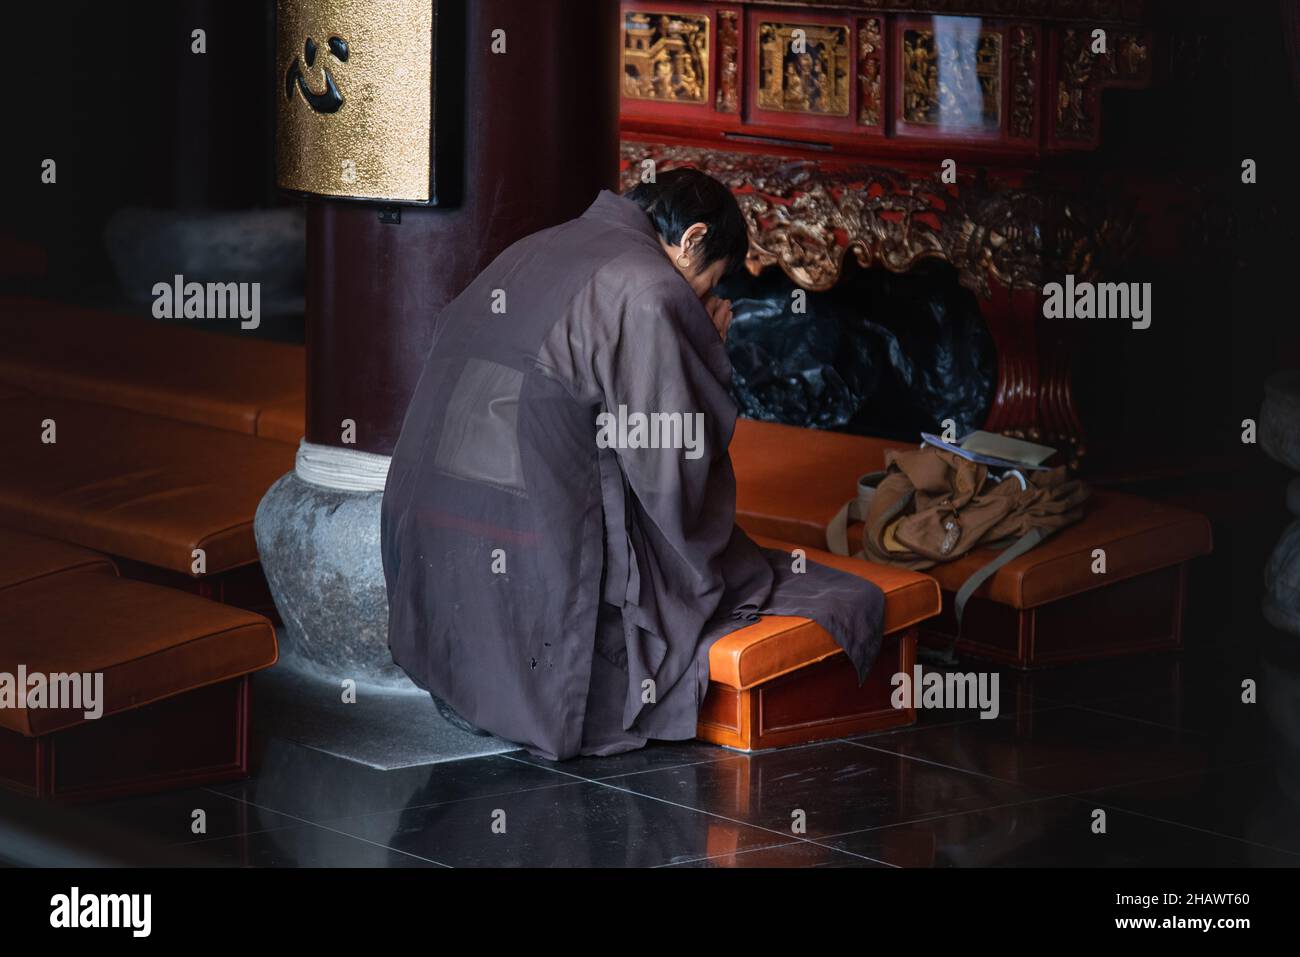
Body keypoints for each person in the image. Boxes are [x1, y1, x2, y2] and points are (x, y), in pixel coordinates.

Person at [380, 168, 883, 760]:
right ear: (692, 238)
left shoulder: (533, 248)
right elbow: (672, 472)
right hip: (544, 553)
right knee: (801, 590)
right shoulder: (650, 289)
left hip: (430, 534)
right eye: (709, 284)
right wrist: (708, 348)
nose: (701, 302)